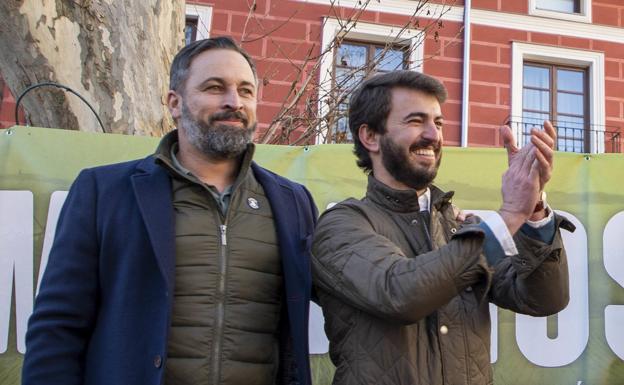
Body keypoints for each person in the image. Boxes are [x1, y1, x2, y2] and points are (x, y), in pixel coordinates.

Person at [22, 37, 317, 385]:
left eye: (246, 91)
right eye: (214, 87)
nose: (233, 102)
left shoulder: (292, 201)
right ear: (175, 103)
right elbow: (57, 327)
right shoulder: (104, 192)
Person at [311, 70, 574, 385]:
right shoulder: (342, 225)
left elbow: (543, 300)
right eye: (415, 121)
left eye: (437, 123)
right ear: (370, 137)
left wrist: (533, 210)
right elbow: (398, 292)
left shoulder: (460, 227)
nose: (433, 135)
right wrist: (511, 213)